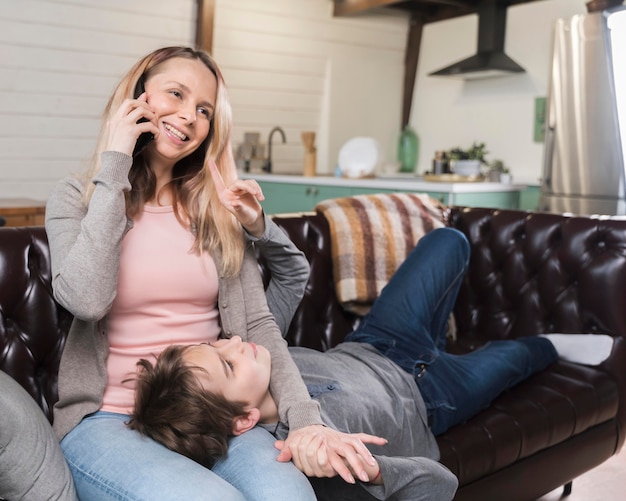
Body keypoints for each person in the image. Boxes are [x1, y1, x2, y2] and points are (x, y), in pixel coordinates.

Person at [45, 45, 383, 501]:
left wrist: (306, 420)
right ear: (137, 94)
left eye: (203, 109)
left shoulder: (215, 209)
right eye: (175, 94)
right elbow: (86, 299)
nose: (188, 116)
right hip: (109, 419)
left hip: (211, 418)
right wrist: (116, 163)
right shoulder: (77, 198)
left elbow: (260, 326)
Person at [128, 226, 615, 501]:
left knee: (451, 241)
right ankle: (550, 343)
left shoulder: (258, 354)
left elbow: (290, 274)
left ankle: (436, 332)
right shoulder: (317, 451)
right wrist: (372, 472)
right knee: (519, 356)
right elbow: (439, 484)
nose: (233, 344)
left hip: (379, 339)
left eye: (217, 345)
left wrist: (259, 227)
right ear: (244, 419)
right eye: (227, 365)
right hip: (431, 392)